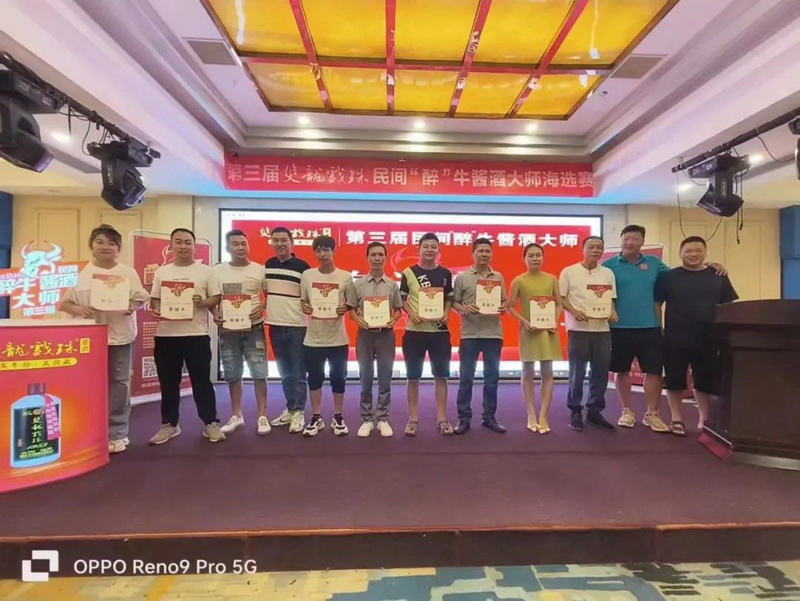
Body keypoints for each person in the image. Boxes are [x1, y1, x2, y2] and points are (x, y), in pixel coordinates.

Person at [59, 224, 149, 454]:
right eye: (100, 242)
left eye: (111, 243)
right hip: (88, 339)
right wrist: (79, 309)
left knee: (119, 384)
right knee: (87, 383)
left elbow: (141, 298)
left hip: (120, 336)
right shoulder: (81, 274)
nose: (105, 247)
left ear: (119, 248)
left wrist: (132, 306)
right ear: (91, 245)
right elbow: (65, 304)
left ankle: (117, 433)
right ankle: (87, 430)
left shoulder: (127, 272)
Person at [655, 236, 738, 435]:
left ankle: (704, 419)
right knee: (675, 379)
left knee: (705, 380)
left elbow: (728, 306)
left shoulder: (718, 274)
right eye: (688, 251)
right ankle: (676, 418)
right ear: (680, 253)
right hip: (676, 336)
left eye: (698, 250)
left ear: (705, 252)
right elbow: (657, 303)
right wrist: (660, 329)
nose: (693, 254)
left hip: (709, 337)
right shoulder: (668, 277)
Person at [148, 228, 224, 444]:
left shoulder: (206, 271)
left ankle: (210, 423)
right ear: (171, 245)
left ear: (194, 245)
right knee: (168, 383)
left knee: (202, 382)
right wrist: (157, 309)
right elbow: (155, 299)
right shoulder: (162, 272)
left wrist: (202, 302)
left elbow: (215, 298)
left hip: (196, 334)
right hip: (166, 335)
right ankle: (169, 424)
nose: (183, 246)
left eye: (187, 242)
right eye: (178, 242)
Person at [601, 225, 670, 433]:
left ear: (642, 242)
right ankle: (627, 411)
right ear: (621, 240)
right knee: (621, 370)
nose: (630, 242)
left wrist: (709, 267)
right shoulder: (609, 265)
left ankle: (652, 414)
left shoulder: (654, 263)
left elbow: (679, 277)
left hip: (650, 326)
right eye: (626, 238)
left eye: (635, 238)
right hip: (619, 327)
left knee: (654, 371)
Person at [209, 230, 270, 435]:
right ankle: (237, 415)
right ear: (227, 247)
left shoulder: (259, 269)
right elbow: (213, 298)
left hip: (254, 328)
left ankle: (262, 415)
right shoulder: (217, 271)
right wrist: (215, 313)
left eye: (244, 243)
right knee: (232, 373)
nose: (241, 247)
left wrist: (262, 307)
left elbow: (268, 295)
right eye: (235, 244)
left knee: (259, 372)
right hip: (228, 329)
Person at [559, 235, 618, 432]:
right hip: (578, 329)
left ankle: (594, 411)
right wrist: (574, 311)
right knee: (577, 373)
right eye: (591, 247)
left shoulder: (608, 273)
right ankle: (575, 410)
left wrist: (612, 312)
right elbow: (561, 298)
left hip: (602, 329)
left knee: (600, 373)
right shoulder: (569, 271)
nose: (595, 250)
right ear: (582, 249)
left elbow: (611, 299)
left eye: (599, 247)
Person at [346, 242, 403, 438]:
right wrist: (357, 320)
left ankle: (383, 418)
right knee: (366, 377)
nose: (377, 258)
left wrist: (393, 319)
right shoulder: (358, 284)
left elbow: (398, 310)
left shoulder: (392, 285)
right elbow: (351, 309)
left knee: (385, 377)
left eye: (380, 255)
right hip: (365, 336)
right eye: (373, 255)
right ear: (367, 257)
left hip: (386, 335)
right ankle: (367, 419)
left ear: (385, 258)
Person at [400, 232, 454, 436]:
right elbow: (402, 299)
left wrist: (446, 313)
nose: (429, 250)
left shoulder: (445, 273)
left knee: (441, 376)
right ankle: (412, 420)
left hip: (439, 332)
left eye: (433, 246)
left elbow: (449, 299)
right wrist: (411, 314)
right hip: (414, 332)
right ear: (419, 249)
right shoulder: (408, 272)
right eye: (426, 246)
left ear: (438, 250)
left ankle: (442, 419)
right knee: (413, 377)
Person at [452, 238, 507, 434]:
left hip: (493, 334)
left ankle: (489, 417)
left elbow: (503, 302)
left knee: (491, 378)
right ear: (473, 254)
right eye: (480, 251)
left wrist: (502, 308)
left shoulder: (498, 276)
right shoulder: (462, 278)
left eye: (487, 251)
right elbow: (454, 303)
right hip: (470, 335)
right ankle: (463, 419)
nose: (484, 254)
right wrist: (465, 308)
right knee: (466, 378)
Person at [299, 235, 352, 437]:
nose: (322, 254)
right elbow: (304, 301)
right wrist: (305, 306)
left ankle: (338, 416)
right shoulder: (307, 275)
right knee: (314, 379)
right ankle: (316, 416)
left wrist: (345, 308)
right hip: (313, 338)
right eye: (318, 250)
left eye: (326, 249)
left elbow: (351, 303)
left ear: (333, 251)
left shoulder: (345, 276)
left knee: (338, 378)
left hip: (338, 338)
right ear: (314, 252)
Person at [507, 243, 563, 434]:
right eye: (530, 255)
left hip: (548, 331)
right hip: (528, 331)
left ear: (543, 257)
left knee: (548, 372)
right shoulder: (519, 281)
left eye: (538, 255)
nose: (535, 258)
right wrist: (524, 321)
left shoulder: (552, 279)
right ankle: (531, 412)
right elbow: (510, 306)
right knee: (527, 372)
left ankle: (544, 414)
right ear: (524, 259)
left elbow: (559, 304)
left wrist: (554, 320)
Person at [265, 227, 310, 434]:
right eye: (275, 240)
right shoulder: (268, 265)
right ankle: (290, 409)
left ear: (291, 242)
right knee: (284, 373)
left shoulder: (303, 267)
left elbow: (309, 295)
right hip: (275, 325)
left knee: (299, 372)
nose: (280, 244)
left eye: (284, 240)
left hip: (297, 326)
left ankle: (299, 411)